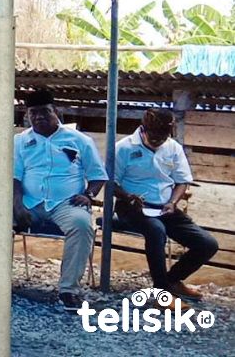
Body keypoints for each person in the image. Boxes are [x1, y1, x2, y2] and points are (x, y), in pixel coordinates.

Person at [12, 89, 107, 312]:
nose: (39, 117)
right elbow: (14, 177)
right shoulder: (19, 141)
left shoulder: (80, 140)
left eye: (44, 111)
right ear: (27, 115)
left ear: (56, 111)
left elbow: (97, 176)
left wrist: (89, 195)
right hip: (29, 202)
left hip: (66, 203)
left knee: (83, 225)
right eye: (33, 112)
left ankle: (68, 290)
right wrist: (16, 205)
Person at [113, 108, 218, 303]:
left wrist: (172, 202)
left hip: (165, 207)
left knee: (207, 244)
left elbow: (182, 181)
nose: (158, 140)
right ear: (143, 129)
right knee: (156, 229)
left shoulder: (173, 147)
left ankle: (173, 280)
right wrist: (127, 196)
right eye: (154, 136)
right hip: (131, 207)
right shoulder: (124, 148)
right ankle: (161, 292)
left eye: (163, 136)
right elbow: (111, 182)